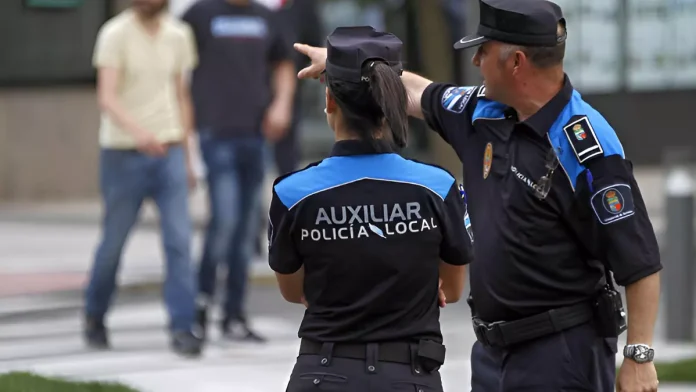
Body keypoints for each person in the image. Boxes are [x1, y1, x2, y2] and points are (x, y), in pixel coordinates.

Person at [294, 0, 663, 391]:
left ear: (516, 62)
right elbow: (417, 93)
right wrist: (346, 66)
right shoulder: (482, 113)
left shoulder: (586, 147)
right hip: (491, 353)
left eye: (483, 51)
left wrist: (639, 355)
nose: (475, 63)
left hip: (561, 354)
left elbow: (639, 261)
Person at [270, 26, 473, 392]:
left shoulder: (292, 192)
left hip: (322, 373)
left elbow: (292, 290)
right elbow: (453, 289)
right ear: (395, 102)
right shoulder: (436, 187)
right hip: (410, 375)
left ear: (329, 100)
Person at [84, 0, 203, 357]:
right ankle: (95, 315)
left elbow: (182, 95)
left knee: (179, 242)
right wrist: (140, 134)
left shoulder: (179, 34)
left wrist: (188, 156)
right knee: (113, 243)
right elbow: (106, 97)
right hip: (124, 153)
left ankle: (183, 327)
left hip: (169, 151)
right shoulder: (114, 33)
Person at [181, 0, 296, 343]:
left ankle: (234, 314)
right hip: (215, 133)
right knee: (224, 221)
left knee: (247, 228)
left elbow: (283, 66)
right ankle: (199, 307)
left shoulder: (266, 18)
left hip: (255, 134)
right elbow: (177, 68)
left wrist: (282, 105)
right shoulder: (199, 15)